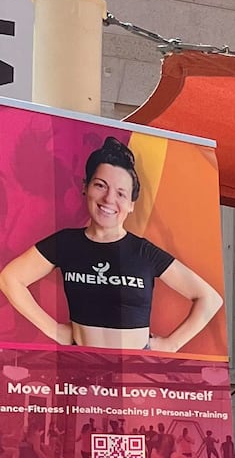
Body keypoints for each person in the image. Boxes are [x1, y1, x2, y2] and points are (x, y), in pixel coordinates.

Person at [0, 134, 222, 353]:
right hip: (82, 368)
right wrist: (54, 330)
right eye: (100, 185)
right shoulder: (66, 243)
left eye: (121, 193)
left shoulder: (144, 252)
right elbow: (10, 279)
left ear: (131, 204)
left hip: (135, 373)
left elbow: (209, 299)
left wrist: (171, 344)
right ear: (85, 186)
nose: (108, 199)